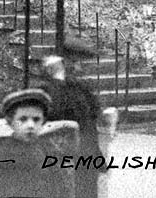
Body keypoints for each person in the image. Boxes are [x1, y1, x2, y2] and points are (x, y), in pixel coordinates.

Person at [39, 41, 105, 198]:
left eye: (81, 63)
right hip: (63, 158)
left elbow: (93, 116)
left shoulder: (80, 87)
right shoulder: (47, 88)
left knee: (88, 191)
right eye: (74, 62)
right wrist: (58, 80)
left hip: (87, 154)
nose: (79, 68)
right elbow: (55, 112)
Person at [0, 88, 73, 198]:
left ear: (43, 121)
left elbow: (59, 188)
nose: (30, 125)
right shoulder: (3, 156)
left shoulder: (49, 151)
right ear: (11, 122)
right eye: (23, 119)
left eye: (36, 119)